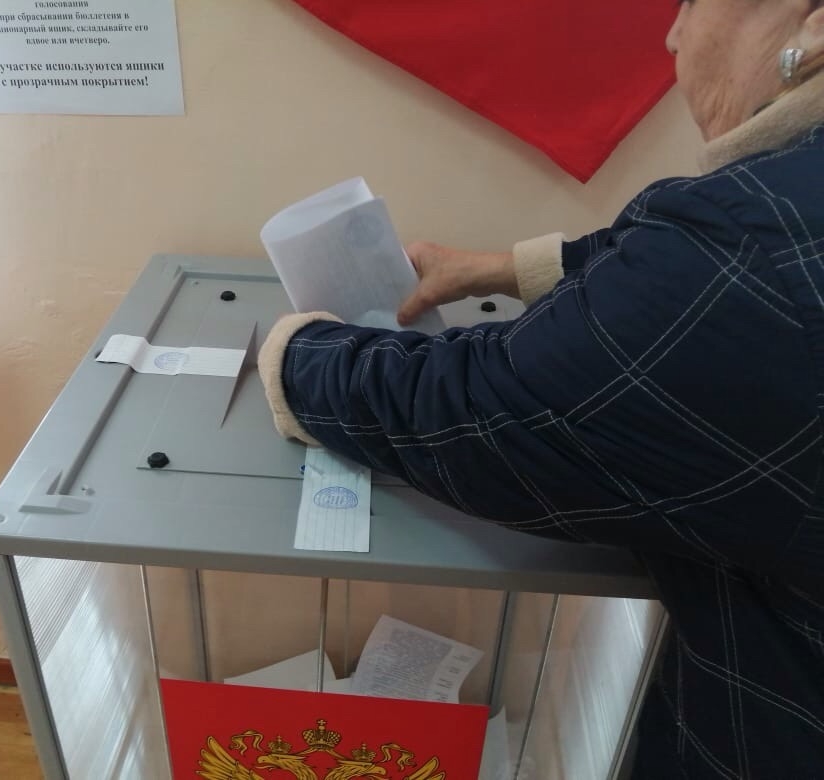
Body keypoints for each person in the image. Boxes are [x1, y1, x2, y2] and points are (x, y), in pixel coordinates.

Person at [258, 1, 824, 777]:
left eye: (695, 3)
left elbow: (477, 411)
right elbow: (685, 282)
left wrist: (295, 355)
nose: (673, 35)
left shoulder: (750, 243)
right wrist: (505, 270)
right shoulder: (775, 224)